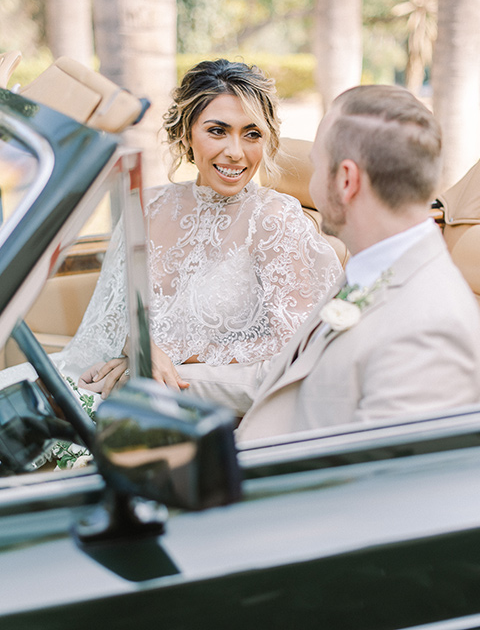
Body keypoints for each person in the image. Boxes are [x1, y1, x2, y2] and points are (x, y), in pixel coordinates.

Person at [74, 59, 342, 412]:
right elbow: (106, 325)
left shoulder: (275, 219)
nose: (235, 152)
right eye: (218, 131)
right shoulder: (147, 206)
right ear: (186, 133)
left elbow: (299, 346)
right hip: (109, 382)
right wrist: (138, 348)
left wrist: (167, 359)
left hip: (188, 403)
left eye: (252, 134)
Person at [230, 84, 480, 442]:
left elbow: (370, 486)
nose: (312, 184)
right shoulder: (372, 266)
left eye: (317, 167)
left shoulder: (430, 329)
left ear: (346, 181)